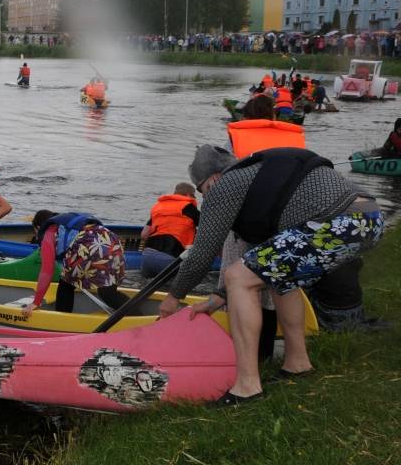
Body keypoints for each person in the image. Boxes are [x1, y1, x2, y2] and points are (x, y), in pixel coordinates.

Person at [159, 145, 383, 405]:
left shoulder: (224, 186)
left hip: (341, 222)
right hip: (369, 217)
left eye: (201, 190)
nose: (204, 197)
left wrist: (174, 296)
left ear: (213, 178)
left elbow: (202, 253)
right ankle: (297, 364)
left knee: (237, 277)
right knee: (279, 276)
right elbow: (262, 260)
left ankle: (247, 387)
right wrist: (217, 299)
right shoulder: (257, 176)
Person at [21, 211, 129, 316]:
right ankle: (136, 314)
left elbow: (47, 270)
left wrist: (36, 302)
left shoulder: (49, 232)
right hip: (113, 242)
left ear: (39, 227)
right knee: (107, 292)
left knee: (66, 283)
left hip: (90, 246)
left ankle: (61, 320)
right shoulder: (68, 223)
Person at [139, 183, 200, 278]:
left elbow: (144, 235)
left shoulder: (158, 207)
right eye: (194, 196)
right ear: (188, 195)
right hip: (170, 260)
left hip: (147, 256)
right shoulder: (189, 208)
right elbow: (209, 228)